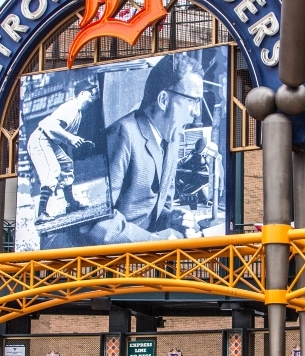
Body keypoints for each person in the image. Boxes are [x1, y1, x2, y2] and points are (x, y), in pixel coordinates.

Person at [89, 54, 206, 244]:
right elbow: (96, 220)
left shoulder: (172, 140)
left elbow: (157, 208)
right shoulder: (122, 134)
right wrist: (152, 241)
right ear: (163, 100)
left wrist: (170, 218)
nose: (196, 113)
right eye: (193, 101)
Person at [27, 85, 96, 220]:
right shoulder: (71, 106)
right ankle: (41, 213)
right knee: (52, 170)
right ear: (81, 93)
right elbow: (52, 126)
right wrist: (71, 138)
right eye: (90, 93)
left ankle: (71, 204)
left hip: (51, 141)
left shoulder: (79, 114)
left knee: (67, 164)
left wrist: (80, 141)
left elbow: (66, 137)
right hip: (41, 138)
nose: (92, 96)